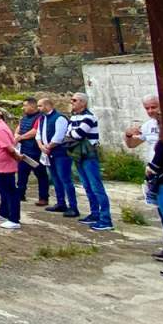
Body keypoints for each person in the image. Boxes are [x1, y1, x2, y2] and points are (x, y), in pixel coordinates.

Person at [125, 94, 163, 269]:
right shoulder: (148, 126)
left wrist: (158, 165)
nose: (150, 111)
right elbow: (131, 144)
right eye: (147, 108)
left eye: (154, 107)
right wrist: (128, 134)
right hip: (156, 178)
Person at [68, 93, 113, 231]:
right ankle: (94, 213)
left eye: (74, 100)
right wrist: (72, 133)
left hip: (89, 155)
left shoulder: (89, 117)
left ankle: (105, 219)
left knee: (96, 187)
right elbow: (68, 132)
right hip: (79, 155)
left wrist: (72, 133)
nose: (72, 102)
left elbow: (77, 134)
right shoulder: (74, 117)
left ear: (83, 102)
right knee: (87, 186)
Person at [38, 98, 77, 217]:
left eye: (40, 106)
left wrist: (49, 146)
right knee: (55, 179)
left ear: (47, 105)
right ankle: (61, 203)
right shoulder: (42, 118)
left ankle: (73, 207)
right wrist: (41, 146)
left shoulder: (59, 118)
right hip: (49, 153)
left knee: (65, 179)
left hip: (61, 153)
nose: (38, 108)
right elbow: (38, 134)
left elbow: (59, 136)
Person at [14, 98, 49, 207]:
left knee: (41, 175)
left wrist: (20, 137)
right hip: (24, 150)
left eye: (25, 105)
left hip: (35, 151)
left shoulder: (40, 118)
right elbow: (18, 128)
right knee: (22, 173)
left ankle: (43, 197)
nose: (23, 108)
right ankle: (20, 194)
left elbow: (35, 131)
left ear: (32, 106)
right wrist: (16, 135)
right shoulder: (24, 117)